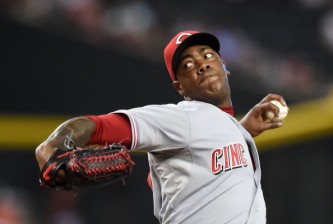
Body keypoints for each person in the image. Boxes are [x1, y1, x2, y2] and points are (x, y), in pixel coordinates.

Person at [36, 30, 286, 224]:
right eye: (188, 65)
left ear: (225, 67)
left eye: (208, 55)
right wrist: (49, 148)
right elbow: (97, 125)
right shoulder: (182, 118)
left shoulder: (223, 129)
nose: (202, 64)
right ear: (180, 88)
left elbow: (189, 167)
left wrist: (241, 130)